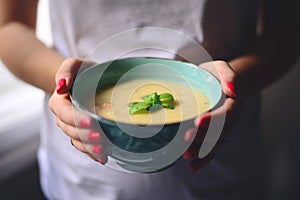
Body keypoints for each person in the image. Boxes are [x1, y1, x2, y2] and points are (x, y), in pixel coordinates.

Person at [0, 0, 299, 199]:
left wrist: (230, 82)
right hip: (83, 183)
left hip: (224, 176)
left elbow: (287, 31)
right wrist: (66, 83)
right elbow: (8, 27)